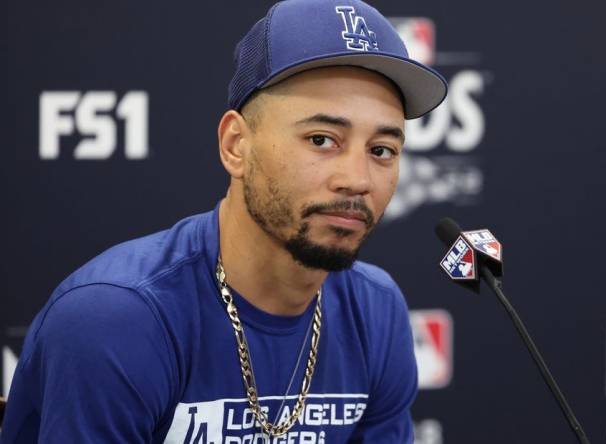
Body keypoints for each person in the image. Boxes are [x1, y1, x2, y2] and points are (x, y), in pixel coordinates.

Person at [0, 0, 446, 442]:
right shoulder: (116, 319)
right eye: (322, 139)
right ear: (236, 146)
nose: (357, 180)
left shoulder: (375, 309)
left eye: (382, 150)